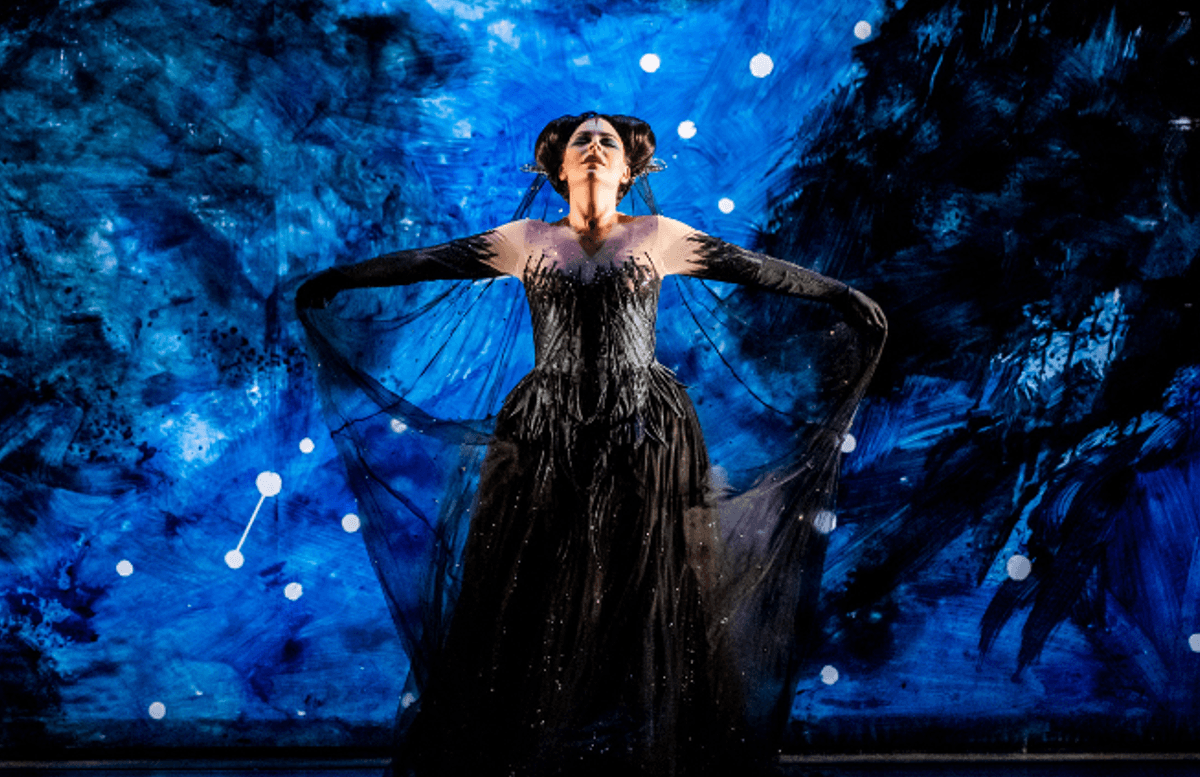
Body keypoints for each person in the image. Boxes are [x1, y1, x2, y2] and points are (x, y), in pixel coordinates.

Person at [297, 113, 886, 776]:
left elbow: (758, 270)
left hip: (645, 434)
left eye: (610, 142)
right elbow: (430, 262)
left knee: (648, 584)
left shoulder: (659, 237)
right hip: (546, 433)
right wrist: (343, 280)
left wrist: (839, 294)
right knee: (536, 586)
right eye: (585, 141)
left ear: (630, 171)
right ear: (559, 169)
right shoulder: (526, 241)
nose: (598, 147)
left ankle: (645, 752)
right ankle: (537, 750)